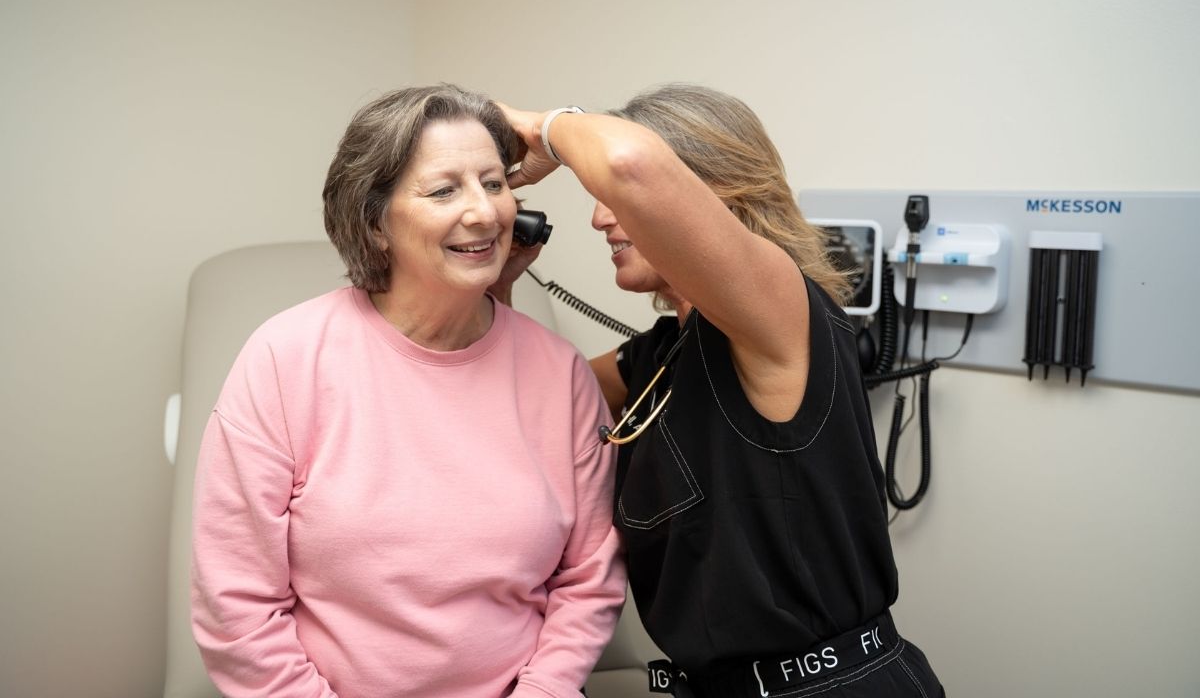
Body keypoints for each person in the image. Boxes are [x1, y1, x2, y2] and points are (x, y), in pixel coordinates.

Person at [498, 84, 945, 698]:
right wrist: (494, 289)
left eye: (612, 201)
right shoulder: (663, 352)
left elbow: (630, 163)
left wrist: (546, 130)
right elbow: (527, 404)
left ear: (711, 196)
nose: (600, 217)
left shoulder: (782, 312)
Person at [190, 84, 626, 698]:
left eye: (495, 183)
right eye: (444, 190)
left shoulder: (561, 375)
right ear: (375, 223)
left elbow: (588, 580)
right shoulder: (285, 358)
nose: (484, 212)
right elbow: (236, 601)